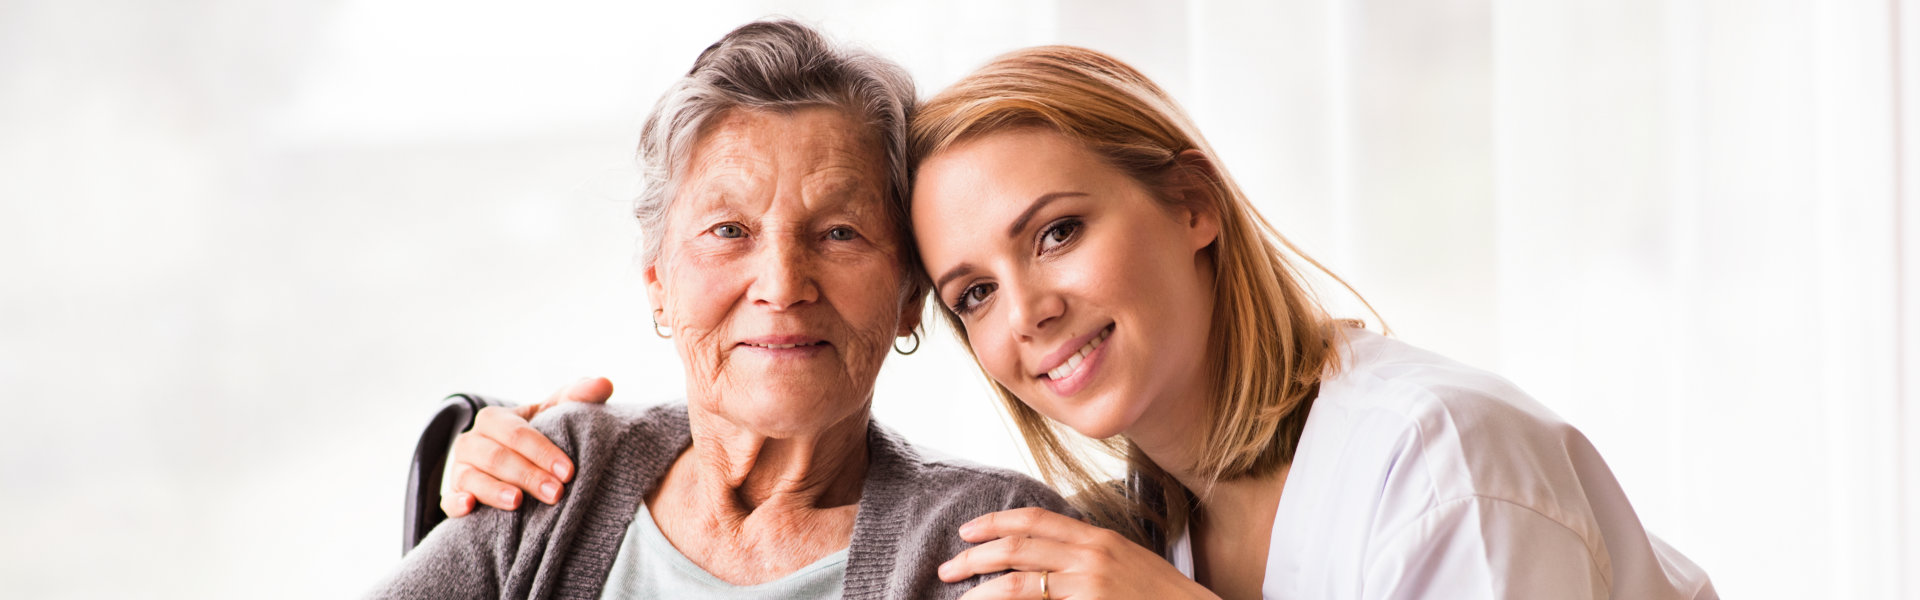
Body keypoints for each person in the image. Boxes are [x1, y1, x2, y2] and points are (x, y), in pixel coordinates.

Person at [444, 46, 1718, 599]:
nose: (1031, 309)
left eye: (1057, 231)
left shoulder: (1441, 463)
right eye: (976, 292)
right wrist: (451, 454)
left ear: (1192, 202)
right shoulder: (1146, 524)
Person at [371, 20, 1068, 599]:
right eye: (729, 231)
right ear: (657, 283)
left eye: (838, 233)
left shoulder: (997, 541)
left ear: (909, 294)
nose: (783, 284)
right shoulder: (562, 474)